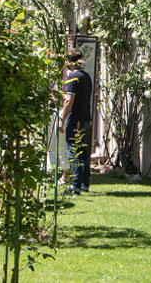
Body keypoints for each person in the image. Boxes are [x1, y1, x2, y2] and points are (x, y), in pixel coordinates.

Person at [59, 51, 92, 194]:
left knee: (74, 152)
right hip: (86, 118)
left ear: (68, 62)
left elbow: (68, 101)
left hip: (75, 119)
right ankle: (84, 182)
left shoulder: (73, 77)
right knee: (83, 152)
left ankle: (75, 185)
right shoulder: (86, 76)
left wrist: (62, 118)